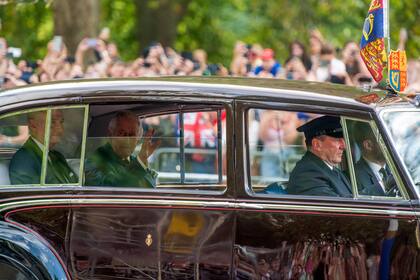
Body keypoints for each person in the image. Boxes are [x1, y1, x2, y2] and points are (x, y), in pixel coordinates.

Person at [84, 110, 160, 188]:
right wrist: (140, 163)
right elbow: (108, 191)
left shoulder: (134, 160)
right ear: (111, 135)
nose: (127, 140)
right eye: (121, 134)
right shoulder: (96, 159)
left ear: (138, 139)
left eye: (131, 135)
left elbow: (150, 187)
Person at [287, 115, 352, 197]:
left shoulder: (331, 170)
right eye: (337, 140)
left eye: (343, 140)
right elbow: (335, 206)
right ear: (317, 145)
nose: (343, 146)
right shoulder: (307, 174)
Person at [9, 110, 78, 184]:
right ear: (33, 125)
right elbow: (29, 195)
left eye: (61, 122)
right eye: (52, 122)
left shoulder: (57, 156)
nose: (60, 130)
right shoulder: (23, 160)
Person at [353, 122, 392, 196]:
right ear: (368, 145)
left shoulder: (399, 168)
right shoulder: (353, 178)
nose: (392, 144)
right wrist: (384, 185)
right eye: (386, 139)